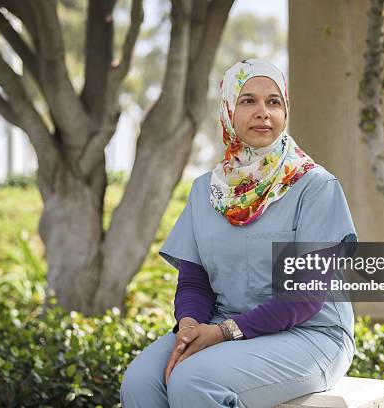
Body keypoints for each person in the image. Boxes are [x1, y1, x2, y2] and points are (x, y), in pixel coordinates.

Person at [120, 59, 357, 408]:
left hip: (309, 334)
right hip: (221, 326)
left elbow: (305, 298)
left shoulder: (314, 186)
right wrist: (189, 327)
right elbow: (194, 280)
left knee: (193, 381)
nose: (263, 112)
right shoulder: (207, 191)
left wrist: (222, 333)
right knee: (140, 383)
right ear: (229, 109)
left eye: (273, 102)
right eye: (248, 101)